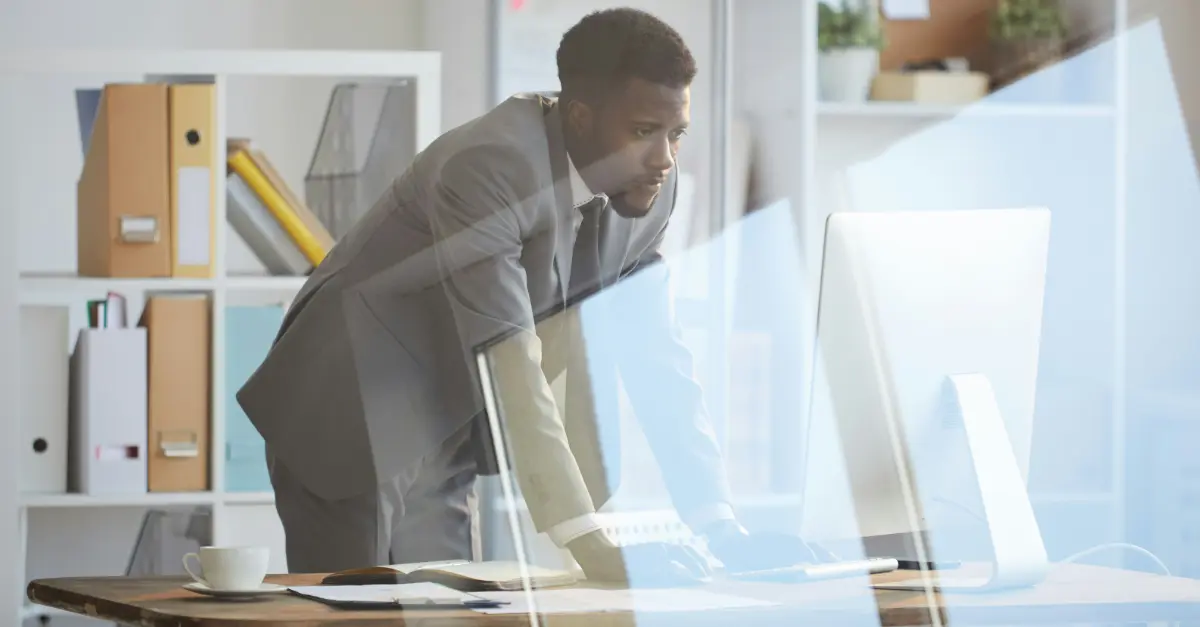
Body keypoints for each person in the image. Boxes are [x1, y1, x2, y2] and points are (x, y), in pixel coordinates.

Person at [236, 7, 814, 584]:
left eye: (676, 133)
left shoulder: (651, 188)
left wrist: (720, 527)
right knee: (360, 611)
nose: (665, 158)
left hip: (448, 417)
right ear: (582, 117)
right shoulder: (488, 166)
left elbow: (659, 357)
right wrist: (593, 545)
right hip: (349, 406)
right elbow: (511, 359)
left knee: (454, 612)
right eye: (643, 131)